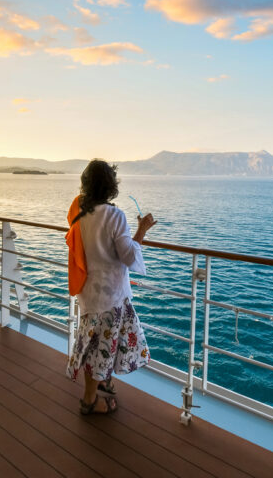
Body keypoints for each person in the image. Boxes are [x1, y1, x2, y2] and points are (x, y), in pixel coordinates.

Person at [66, 159, 157, 415]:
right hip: (111, 298)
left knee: (92, 346)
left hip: (89, 294)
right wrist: (142, 230)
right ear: (111, 187)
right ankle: (89, 401)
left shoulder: (79, 213)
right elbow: (128, 257)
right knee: (100, 352)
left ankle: (100, 387)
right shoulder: (115, 216)